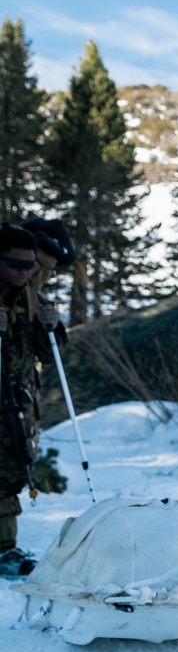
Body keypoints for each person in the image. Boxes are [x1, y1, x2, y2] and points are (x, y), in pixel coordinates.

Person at [0, 223, 64, 576]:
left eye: (30, 267)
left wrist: (50, 326)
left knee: (10, 470)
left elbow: (47, 353)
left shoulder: (32, 298)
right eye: (15, 265)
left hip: (15, 400)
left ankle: (4, 549)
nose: (24, 273)